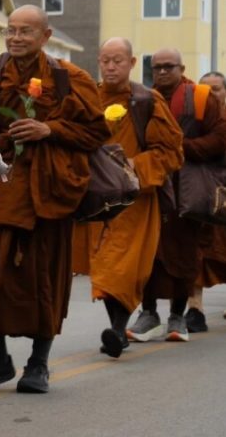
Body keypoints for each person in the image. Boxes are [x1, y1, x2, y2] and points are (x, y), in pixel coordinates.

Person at [0, 5, 110, 394]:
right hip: (0, 189)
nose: (15, 38)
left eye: (26, 31)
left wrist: (51, 128)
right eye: (11, 30)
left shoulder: (68, 78)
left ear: (46, 36)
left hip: (49, 193)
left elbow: (96, 132)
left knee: (43, 277)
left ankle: (38, 364)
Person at [71, 38, 183, 358]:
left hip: (135, 197)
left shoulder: (147, 100)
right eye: (105, 60)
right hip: (97, 198)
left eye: (118, 61)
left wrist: (135, 166)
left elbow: (171, 153)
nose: (110, 66)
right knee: (105, 269)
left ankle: (118, 330)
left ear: (133, 64)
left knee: (119, 268)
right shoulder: (89, 97)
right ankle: (118, 332)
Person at [127, 50, 226, 343]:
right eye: (156, 67)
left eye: (168, 67)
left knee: (184, 252)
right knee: (149, 252)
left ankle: (177, 315)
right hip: (153, 185)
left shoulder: (200, 97)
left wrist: (180, 148)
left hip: (188, 186)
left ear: (182, 68)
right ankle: (148, 313)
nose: (161, 72)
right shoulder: (144, 98)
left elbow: (221, 137)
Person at [185, 71, 226, 331]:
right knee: (197, 251)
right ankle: (195, 307)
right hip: (203, 193)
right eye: (205, 90)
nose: (211, 94)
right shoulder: (193, 122)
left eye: (217, 89)